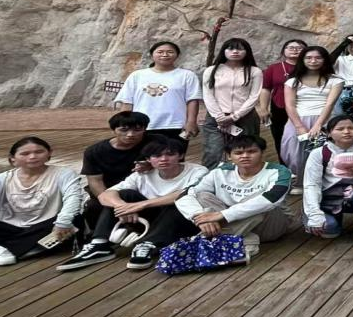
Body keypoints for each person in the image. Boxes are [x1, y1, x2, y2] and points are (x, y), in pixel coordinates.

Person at [57, 136, 208, 271]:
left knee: (180, 202)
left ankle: (148, 244)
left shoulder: (197, 171)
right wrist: (122, 207)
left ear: (180, 155)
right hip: (148, 221)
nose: (163, 159)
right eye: (157, 156)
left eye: (170, 154)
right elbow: (105, 195)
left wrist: (140, 205)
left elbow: (187, 193)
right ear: (148, 159)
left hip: (182, 223)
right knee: (123, 194)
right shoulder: (141, 175)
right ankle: (99, 244)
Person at [0, 137, 83, 267]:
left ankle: (6, 249)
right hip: (11, 228)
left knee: (75, 221)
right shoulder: (1, 179)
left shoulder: (63, 174)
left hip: (47, 227)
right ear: (13, 158)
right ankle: (24, 247)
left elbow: (73, 198)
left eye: (39, 152)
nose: (33, 156)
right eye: (25, 153)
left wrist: (62, 222)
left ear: (49, 153)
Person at [176, 135, 300, 260]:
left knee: (259, 201)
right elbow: (185, 195)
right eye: (238, 153)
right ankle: (245, 240)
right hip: (237, 225)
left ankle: (206, 240)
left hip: (270, 226)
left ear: (262, 152)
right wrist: (200, 217)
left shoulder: (279, 171)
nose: (245, 156)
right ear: (229, 156)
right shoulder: (220, 171)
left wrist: (222, 215)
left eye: (251, 151)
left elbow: (271, 199)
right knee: (202, 196)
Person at [302, 115, 353, 246]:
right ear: (329, 133)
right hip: (327, 197)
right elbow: (311, 184)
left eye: (351, 128)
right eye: (340, 129)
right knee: (328, 229)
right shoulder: (319, 153)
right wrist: (314, 214)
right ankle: (331, 222)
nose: (346, 132)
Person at [281, 46, 344, 191]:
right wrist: (299, 126)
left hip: (326, 119)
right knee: (292, 152)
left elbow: (329, 104)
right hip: (297, 119)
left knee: (324, 153)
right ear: (302, 60)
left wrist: (318, 125)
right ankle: (300, 182)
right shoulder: (292, 81)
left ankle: (321, 183)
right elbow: (290, 105)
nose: (313, 61)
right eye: (308, 58)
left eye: (318, 58)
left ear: (324, 60)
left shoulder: (335, 80)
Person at [81, 111, 152, 231]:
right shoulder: (94, 151)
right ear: (114, 130)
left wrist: (152, 164)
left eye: (137, 130)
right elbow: (95, 182)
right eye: (124, 130)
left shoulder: (155, 143)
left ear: (145, 129)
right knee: (94, 207)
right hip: (110, 191)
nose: (130, 134)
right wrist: (117, 204)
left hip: (143, 191)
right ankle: (97, 237)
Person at [115, 41, 202, 139]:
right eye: (160, 52)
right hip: (140, 125)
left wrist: (191, 122)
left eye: (170, 52)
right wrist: (124, 124)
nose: (165, 55)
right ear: (152, 55)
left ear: (177, 55)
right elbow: (127, 101)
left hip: (175, 125)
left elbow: (192, 100)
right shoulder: (137, 75)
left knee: (174, 149)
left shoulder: (187, 75)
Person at [201, 38, 263, 169]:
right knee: (213, 151)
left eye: (240, 49)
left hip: (245, 117)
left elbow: (254, 96)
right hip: (216, 117)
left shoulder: (254, 71)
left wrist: (234, 116)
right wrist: (219, 116)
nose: (235, 51)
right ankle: (209, 178)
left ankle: (245, 177)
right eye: (230, 48)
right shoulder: (211, 70)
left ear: (247, 52)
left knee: (245, 151)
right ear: (223, 51)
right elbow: (208, 95)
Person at [259, 39, 307, 157]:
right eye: (291, 47)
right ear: (283, 51)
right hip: (279, 107)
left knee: (306, 137)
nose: (295, 50)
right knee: (281, 139)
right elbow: (266, 89)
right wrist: (263, 108)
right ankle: (284, 165)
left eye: (299, 48)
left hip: (305, 108)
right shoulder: (274, 68)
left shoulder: (311, 67)